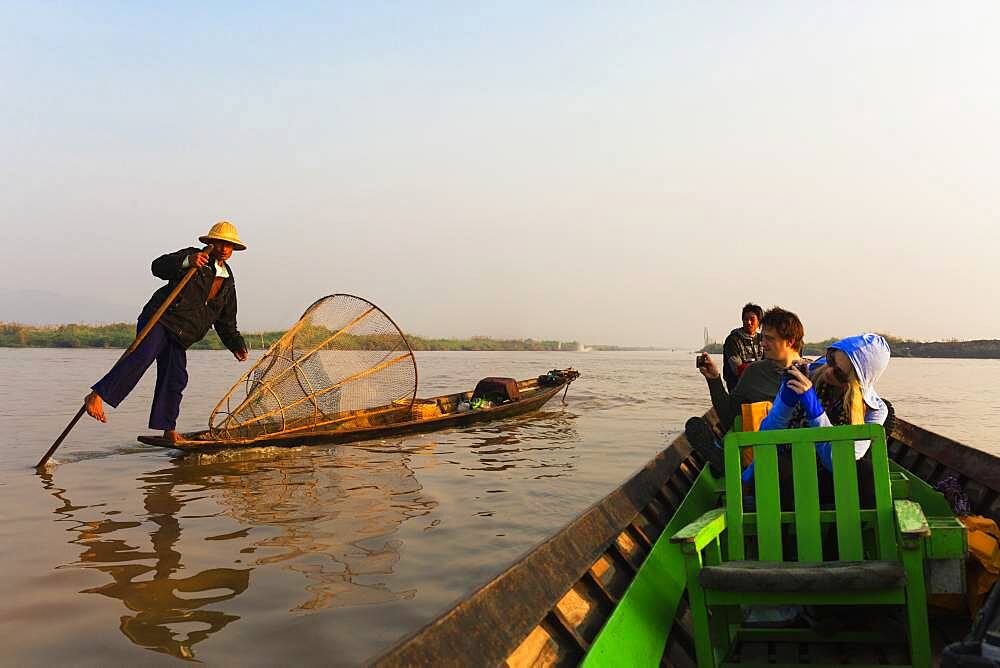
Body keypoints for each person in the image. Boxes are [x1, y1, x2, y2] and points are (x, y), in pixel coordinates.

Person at [83, 222, 250, 443]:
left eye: (229, 245)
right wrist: (186, 263)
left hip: (183, 333)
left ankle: (167, 427)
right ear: (211, 242)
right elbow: (158, 266)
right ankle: (97, 395)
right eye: (221, 242)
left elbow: (226, 318)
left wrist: (235, 343)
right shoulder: (194, 256)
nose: (225, 248)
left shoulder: (228, 279)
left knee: (175, 377)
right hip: (161, 319)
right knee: (140, 357)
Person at [686, 307, 806, 474]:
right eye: (763, 338)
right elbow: (729, 416)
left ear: (790, 341)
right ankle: (733, 464)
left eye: (769, 339)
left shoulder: (811, 375)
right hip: (758, 451)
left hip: (798, 457)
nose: (763, 344)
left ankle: (731, 466)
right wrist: (713, 379)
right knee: (695, 426)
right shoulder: (755, 372)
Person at [721, 303, 764, 393]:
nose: (748, 322)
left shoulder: (762, 339)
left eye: (752, 319)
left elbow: (770, 363)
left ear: (759, 321)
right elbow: (737, 368)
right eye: (745, 319)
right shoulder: (732, 340)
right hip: (737, 387)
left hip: (759, 388)